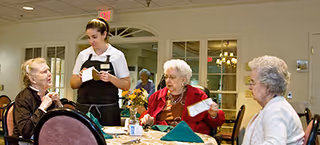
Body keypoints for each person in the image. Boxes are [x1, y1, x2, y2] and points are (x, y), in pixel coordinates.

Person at [70, 17, 130, 126]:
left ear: (104, 34)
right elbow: (73, 84)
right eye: (88, 37)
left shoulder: (117, 55)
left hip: (108, 111)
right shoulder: (83, 55)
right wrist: (81, 77)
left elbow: (126, 85)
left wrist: (111, 78)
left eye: (94, 37)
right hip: (84, 108)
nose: (91, 41)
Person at [140, 59, 225, 135]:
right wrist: (149, 120)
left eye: (172, 77)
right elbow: (148, 118)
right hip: (161, 136)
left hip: (188, 137)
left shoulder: (198, 96)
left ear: (183, 80)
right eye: (166, 77)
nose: (168, 80)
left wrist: (214, 115)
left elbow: (216, 123)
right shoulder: (156, 96)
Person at [242, 55, 304, 145]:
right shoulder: (276, 106)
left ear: (268, 87)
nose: (249, 87)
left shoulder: (276, 110)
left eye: (253, 82)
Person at [13, 58, 62, 139]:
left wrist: (58, 104)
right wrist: (42, 108)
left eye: (48, 70)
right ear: (32, 79)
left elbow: (60, 124)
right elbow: (26, 132)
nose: (49, 74)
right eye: (44, 72)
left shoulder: (48, 96)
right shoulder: (23, 98)